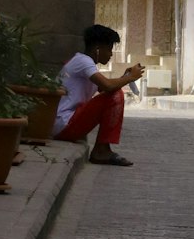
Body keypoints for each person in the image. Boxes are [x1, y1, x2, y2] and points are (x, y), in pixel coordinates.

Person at [53, 24, 144, 167]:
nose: (111, 54)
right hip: (63, 124)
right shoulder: (83, 61)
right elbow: (108, 87)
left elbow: (104, 88)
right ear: (97, 49)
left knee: (114, 93)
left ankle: (103, 148)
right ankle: (101, 150)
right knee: (116, 95)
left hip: (64, 124)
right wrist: (129, 78)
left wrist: (125, 76)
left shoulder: (84, 62)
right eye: (109, 49)